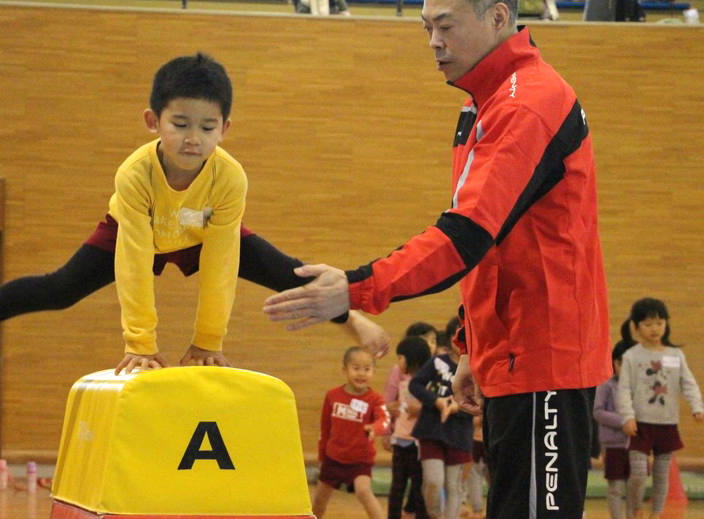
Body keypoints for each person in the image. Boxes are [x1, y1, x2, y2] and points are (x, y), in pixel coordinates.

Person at [262, 0, 612, 516]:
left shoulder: (526, 103)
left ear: (496, 17)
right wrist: (472, 344)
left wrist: (355, 287)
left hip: (547, 362)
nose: (433, 41)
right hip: (514, 357)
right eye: (426, 27)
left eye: (445, 26)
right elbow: (496, 244)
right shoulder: (483, 102)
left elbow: (465, 237)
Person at [0, 53, 389, 372]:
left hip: (204, 234)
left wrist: (207, 340)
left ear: (225, 128)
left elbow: (222, 264)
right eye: (179, 124)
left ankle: (352, 319)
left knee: (285, 271)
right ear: (152, 121)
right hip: (135, 228)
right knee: (59, 289)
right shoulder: (135, 174)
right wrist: (140, 344)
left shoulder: (229, 178)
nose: (192, 138)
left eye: (206, 127)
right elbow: (135, 263)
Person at [616, 298, 703, 519]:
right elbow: (623, 389)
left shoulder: (676, 356)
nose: (655, 328)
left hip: (667, 424)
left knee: (662, 475)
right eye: (648, 324)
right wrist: (627, 416)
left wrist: (697, 406)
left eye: (659, 322)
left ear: (666, 324)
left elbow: (688, 383)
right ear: (635, 327)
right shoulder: (631, 357)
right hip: (640, 425)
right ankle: (635, 509)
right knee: (637, 474)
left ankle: (656, 514)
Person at [314, 345, 390, 519]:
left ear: (374, 372)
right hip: (333, 458)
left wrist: (374, 428)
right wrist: (321, 457)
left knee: (363, 490)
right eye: (356, 368)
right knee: (319, 501)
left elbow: (384, 419)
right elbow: (325, 429)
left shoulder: (374, 399)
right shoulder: (332, 396)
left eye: (367, 369)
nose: (361, 373)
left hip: (360, 460)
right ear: (344, 370)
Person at [408, 337, 472, 519]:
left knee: (454, 486)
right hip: (431, 431)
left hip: (459, 434)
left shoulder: (476, 366)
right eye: (458, 337)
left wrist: (456, 407)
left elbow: (480, 401)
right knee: (433, 481)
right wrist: (436, 401)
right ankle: (434, 515)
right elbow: (415, 385)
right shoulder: (437, 361)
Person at [381, 323, 436, 518]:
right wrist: (387, 431)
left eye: (400, 358)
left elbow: (436, 407)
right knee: (397, 487)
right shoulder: (403, 380)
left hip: (420, 443)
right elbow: (387, 405)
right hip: (400, 440)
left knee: (419, 488)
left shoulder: (429, 383)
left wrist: (421, 408)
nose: (398, 362)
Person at [595, 340, 634, 519]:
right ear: (615, 363)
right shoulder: (606, 384)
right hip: (613, 443)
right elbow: (598, 411)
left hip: (635, 442)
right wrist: (624, 421)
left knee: (634, 486)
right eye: (621, 363)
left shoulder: (639, 386)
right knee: (616, 488)